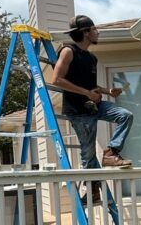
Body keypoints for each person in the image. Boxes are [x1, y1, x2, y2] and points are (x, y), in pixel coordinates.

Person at [51, 15, 134, 176]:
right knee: (88, 155)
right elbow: (57, 80)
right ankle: (93, 190)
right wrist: (87, 93)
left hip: (95, 106)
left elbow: (91, 86)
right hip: (78, 111)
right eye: (95, 29)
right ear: (85, 32)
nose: (98, 32)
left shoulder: (91, 58)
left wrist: (107, 91)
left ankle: (111, 152)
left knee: (125, 115)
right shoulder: (68, 51)